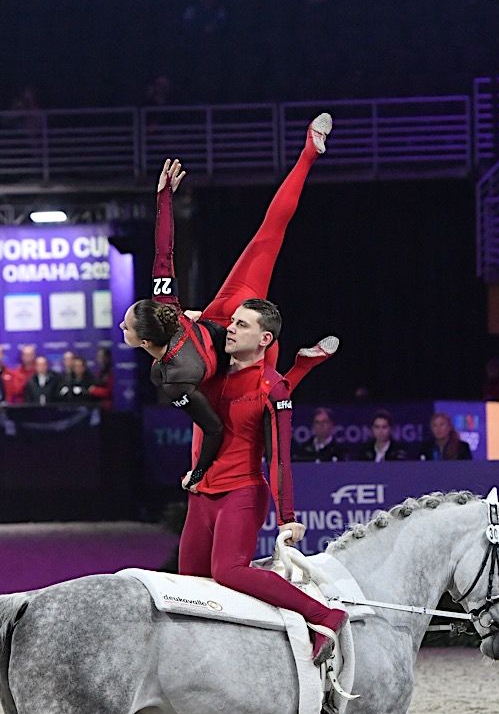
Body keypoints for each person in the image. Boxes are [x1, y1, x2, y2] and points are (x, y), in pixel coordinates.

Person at [120, 115, 338, 489]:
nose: (121, 328)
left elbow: (211, 428)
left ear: (144, 339)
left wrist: (197, 475)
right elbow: (163, 252)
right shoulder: (166, 307)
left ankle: (308, 153)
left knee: (267, 237)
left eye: (125, 325)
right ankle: (303, 365)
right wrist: (163, 197)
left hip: (232, 325)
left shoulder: (171, 375)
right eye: (125, 325)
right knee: (264, 401)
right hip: (231, 345)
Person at [179, 298, 346, 665]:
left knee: (229, 571)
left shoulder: (273, 388)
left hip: (241, 492)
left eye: (242, 325)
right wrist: (188, 323)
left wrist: (286, 515)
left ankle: (324, 617)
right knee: (189, 582)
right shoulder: (212, 369)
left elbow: (280, 458)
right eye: (233, 322)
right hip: (201, 494)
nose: (231, 329)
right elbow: (176, 349)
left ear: (265, 338)